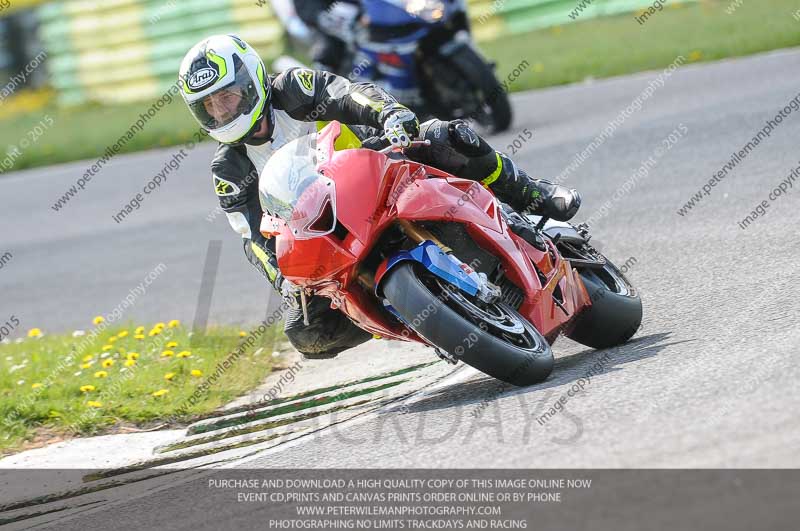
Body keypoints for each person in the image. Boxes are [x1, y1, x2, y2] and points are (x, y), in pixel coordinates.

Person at [178, 34, 580, 359]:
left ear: (250, 82)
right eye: (209, 107)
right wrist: (285, 280)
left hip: (377, 165)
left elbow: (350, 94)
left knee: (446, 136)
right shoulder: (228, 169)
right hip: (327, 228)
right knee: (306, 331)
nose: (221, 111)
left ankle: (532, 193)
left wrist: (387, 112)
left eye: (226, 96)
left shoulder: (292, 91)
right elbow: (254, 239)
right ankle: (412, 318)